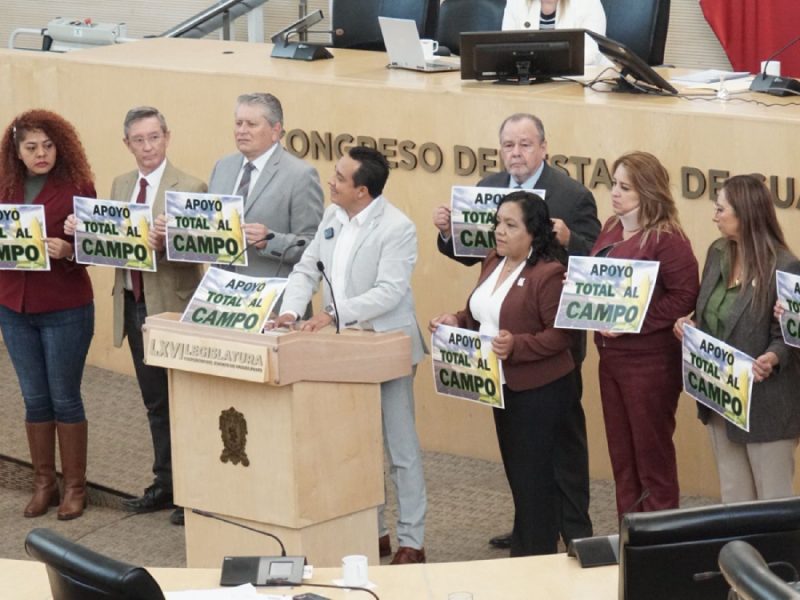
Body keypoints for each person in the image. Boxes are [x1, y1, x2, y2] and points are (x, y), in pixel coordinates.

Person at [433, 112, 599, 549]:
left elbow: (598, 259)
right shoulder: (488, 190)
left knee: (560, 449)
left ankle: (575, 531)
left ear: (544, 147)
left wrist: (568, 242)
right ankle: (528, 525)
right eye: (508, 145)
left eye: (525, 144)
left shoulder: (572, 194)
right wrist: (449, 234)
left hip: (549, 351)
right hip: (500, 365)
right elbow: (476, 260)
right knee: (522, 461)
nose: (516, 153)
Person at [273, 147, 428, 564]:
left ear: (362, 190)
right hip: (338, 349)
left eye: (339, 178)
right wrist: (291, 309)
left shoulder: (398, 228)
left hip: (384, 345)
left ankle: (412, 540)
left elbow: (389, 291)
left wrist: (331, 313)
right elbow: (307, 268)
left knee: (399, 448)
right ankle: (371, 531)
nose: (331, 181)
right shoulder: (331, 216)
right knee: (353, 444)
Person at [66, 106, 207, 525]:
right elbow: (111, 243)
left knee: (184, 402)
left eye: (154, 137)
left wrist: (168, 242)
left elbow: (204, 250)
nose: (148, 147)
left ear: (167, 136)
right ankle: (165, 484)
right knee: (154, 403)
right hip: (132, 305)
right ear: (126, 144)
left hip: (173, 306)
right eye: (139, 140)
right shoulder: (121, 184)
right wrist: (82, 231)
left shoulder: (191, 185)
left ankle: (192, 491)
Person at [431, 191, 577, 556]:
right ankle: (526, 551)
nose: (500, 231)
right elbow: (481, 314)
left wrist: (517, 346)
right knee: (519, 475)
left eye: (511, 225)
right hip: (500, 386)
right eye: (498, 222)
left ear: (533, 232)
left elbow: (562, 336)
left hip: (539, 390)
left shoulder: (549, 272)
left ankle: (536, 558)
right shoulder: (493, 260)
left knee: (536, 479)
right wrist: (455, 321)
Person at [675, 175, 800, 503]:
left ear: (745, 214)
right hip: (720, 396)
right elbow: (708, 310)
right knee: (734, 500)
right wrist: (689, 325)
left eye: (721, 209)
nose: (714, 216)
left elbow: (789, 336)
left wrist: (772, 358)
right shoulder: (717, 252)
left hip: (767, 403)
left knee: (773, 502)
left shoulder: (785, 266)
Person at [0, 109, 95, 520]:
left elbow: (98, 248)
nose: (41, 154)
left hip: (65, 308)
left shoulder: (79, 187)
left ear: (61, 146)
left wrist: (69, 250)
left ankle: (76, 487)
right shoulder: (3, 187)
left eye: (48, 146)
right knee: (34, 398)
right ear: (17, 152)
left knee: (64, 397)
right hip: (13, 307)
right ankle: (44, 484)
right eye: (31, 147)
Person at [592, 151, 699, 518]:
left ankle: (661, 539)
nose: (615, 193)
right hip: (610, 359)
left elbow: (686, 295)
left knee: (651, 457)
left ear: (648, 192)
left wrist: (634, 320)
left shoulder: (667, 239)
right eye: (614, 185)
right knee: (622, 457)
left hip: (649, 363)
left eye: (625, 187)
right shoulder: (611, 226)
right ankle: (631, 534)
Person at [208, 92, 323, 277]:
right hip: (221, 290)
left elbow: (314, 245)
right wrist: (176, 226)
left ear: (275, 131)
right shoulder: (222, 166)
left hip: (271, 296)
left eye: (251, 124)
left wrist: (270, 241)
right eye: (238, 123)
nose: (242, 130)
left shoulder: (300, 175)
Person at [502, 0, 607, 65]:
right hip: (530, 80)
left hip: (582, 80)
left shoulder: (588, 3)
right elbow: (506, 48)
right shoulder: (515, 2)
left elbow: (590, 53)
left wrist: (545, 64)